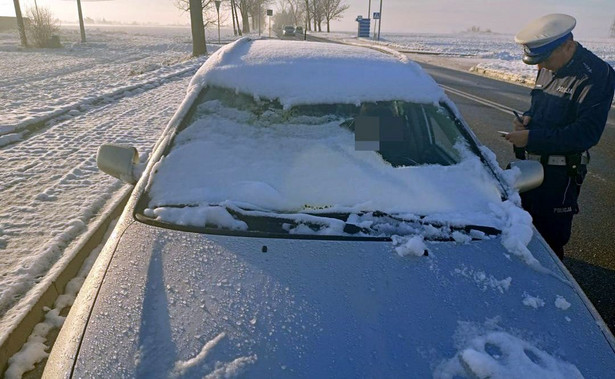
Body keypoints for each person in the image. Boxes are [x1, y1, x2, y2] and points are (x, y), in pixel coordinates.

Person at [505, 14, 615, 258]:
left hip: (558, 177)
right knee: (517, 230)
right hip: (529, 167)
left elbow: (586, 134)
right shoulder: (548, 64)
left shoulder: (596, 76)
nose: (539, 67)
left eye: (544, 59)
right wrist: (527, 119)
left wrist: (532, 138)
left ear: (567, 45)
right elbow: (541, 106)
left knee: (548, 244)